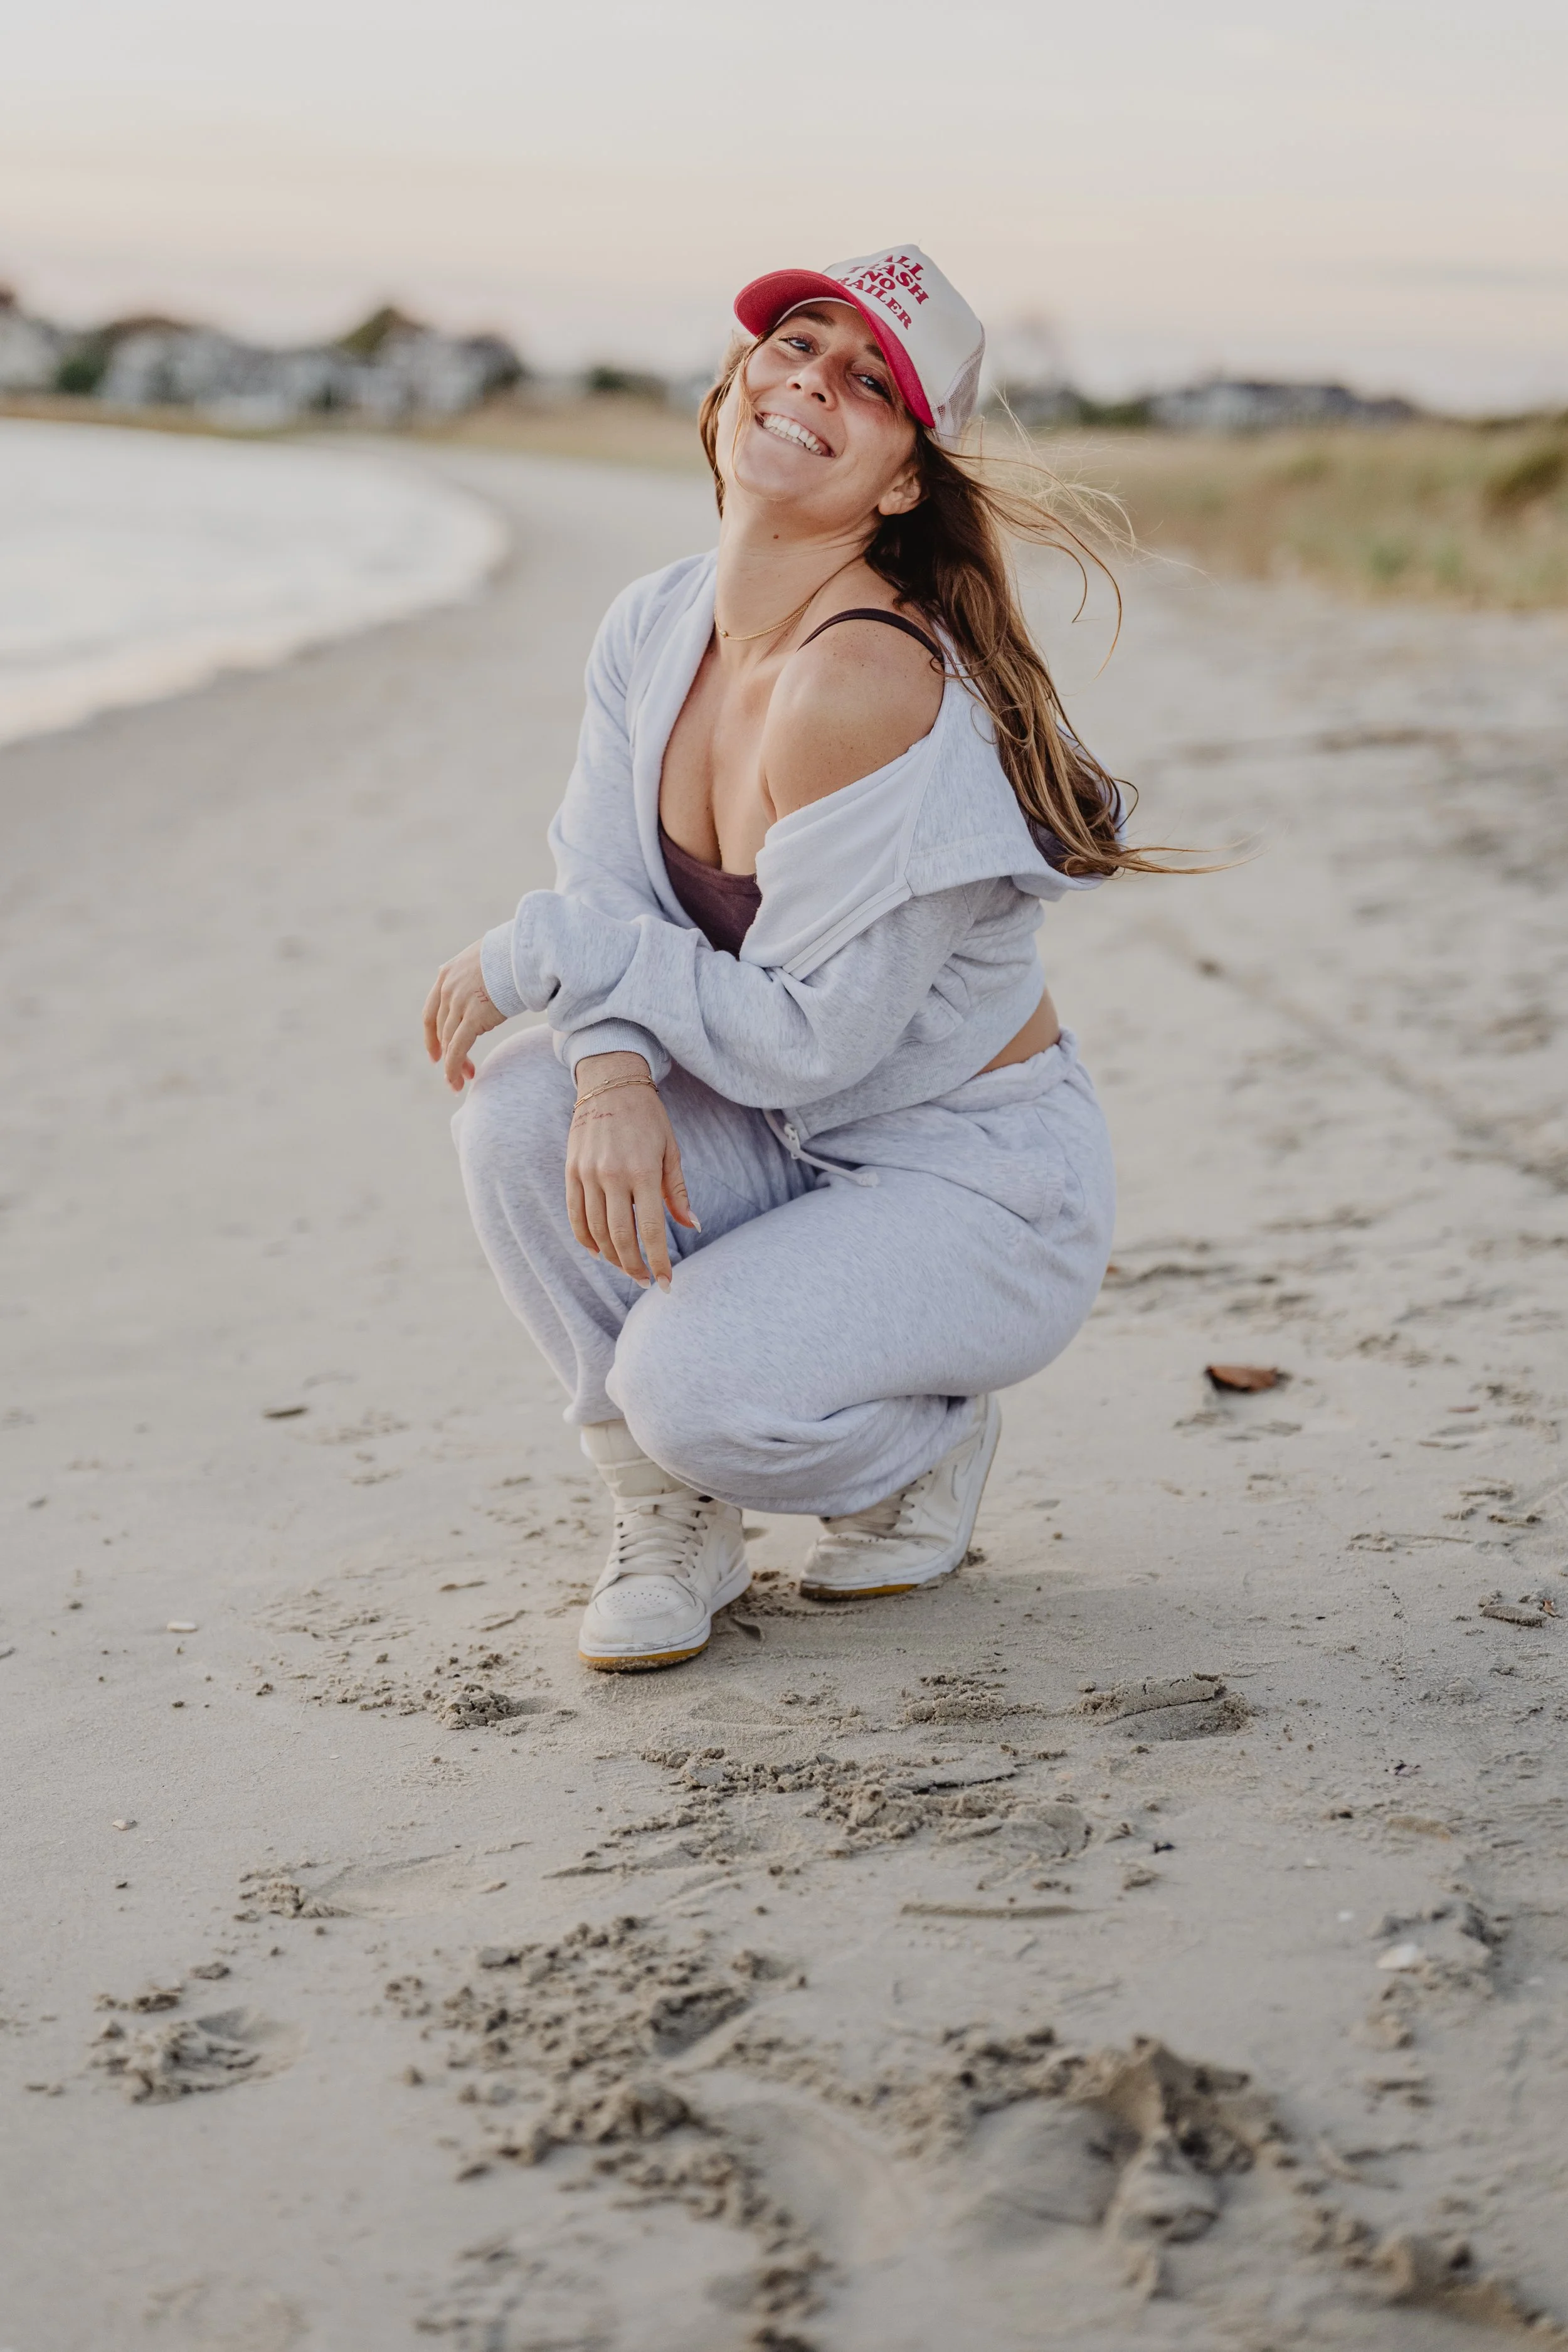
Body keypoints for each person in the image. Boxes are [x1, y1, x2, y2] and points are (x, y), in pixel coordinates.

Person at [425, 244, 1156, 1675]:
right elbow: (607, 884)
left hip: (972, 1181)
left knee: (689, 1385)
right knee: (519, 1108)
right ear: (734, 384)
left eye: (869, 383)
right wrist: (616, 1072)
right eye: (796, 343)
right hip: (786, 1132)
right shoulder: (654, 620)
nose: (811, 379)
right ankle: (668, 1512)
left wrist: (552, 956)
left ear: (899, 483)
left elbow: (809, 1041)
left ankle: (912, 1459)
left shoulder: (862, 681)